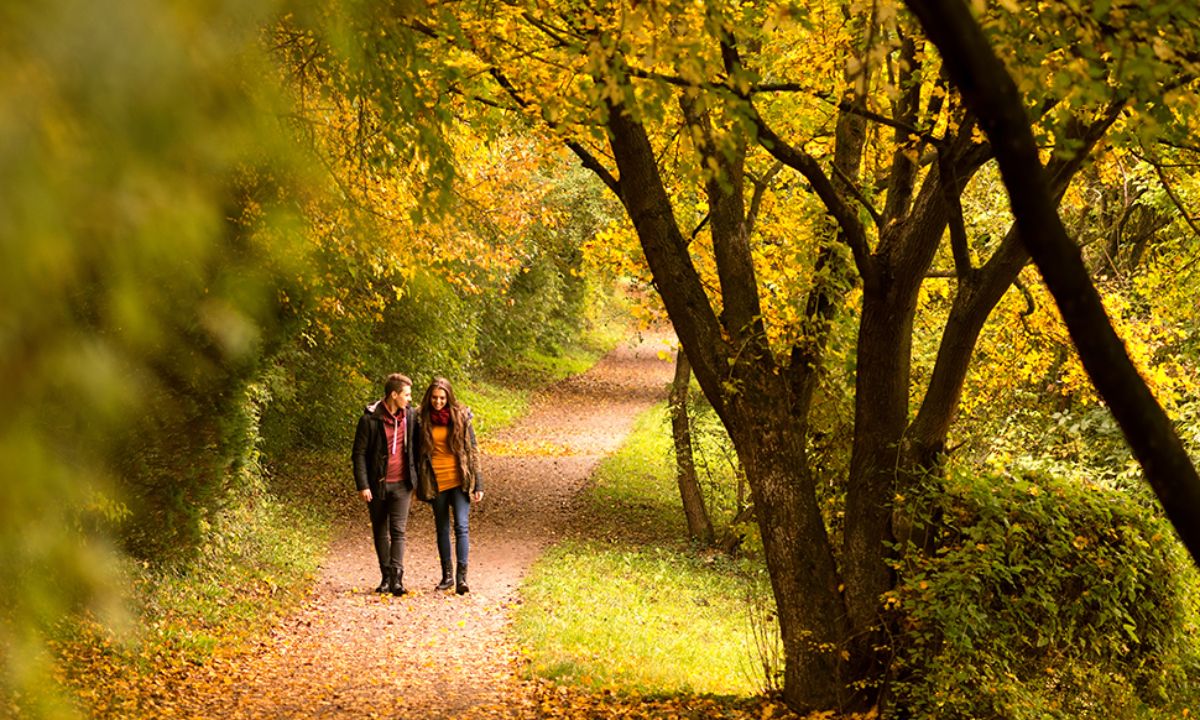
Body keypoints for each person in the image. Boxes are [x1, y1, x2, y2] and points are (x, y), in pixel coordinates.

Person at [352, 373, 418, 596]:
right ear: (394, 394)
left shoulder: (410, 416)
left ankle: (397, 579)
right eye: (406, 394)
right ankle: (385, 576)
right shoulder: (370, 420)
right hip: (377, 484)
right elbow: (359, 454)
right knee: (380, 529)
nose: (409, 399)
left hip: (402, 485)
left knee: (398, 530)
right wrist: (363, 484)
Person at [416, 377, 483, 594]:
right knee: (442, 528)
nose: (438, 402)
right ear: (429, 398)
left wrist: (478, 483)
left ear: (449, 397)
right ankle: (446, 576)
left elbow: (472, 450)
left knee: (461, 526)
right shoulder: (421, 418)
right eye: (434, 398)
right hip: (436, 481)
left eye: (442, 398)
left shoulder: (462, 417)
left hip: (459, 479)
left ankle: (461, 577)